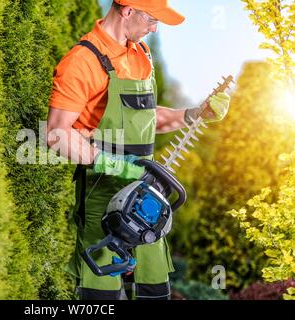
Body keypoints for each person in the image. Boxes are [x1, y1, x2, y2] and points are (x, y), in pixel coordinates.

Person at [47, 0, 230, 300]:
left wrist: (194, 114)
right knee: (101, 289)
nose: (155, 28)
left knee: (154, 285)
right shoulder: (83, 61)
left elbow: (146, 118)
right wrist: (115, 164)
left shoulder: (140, 53)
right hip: (102, 192)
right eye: (152, 19)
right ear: (128, 10)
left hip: (146, 190)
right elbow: (56, 134)